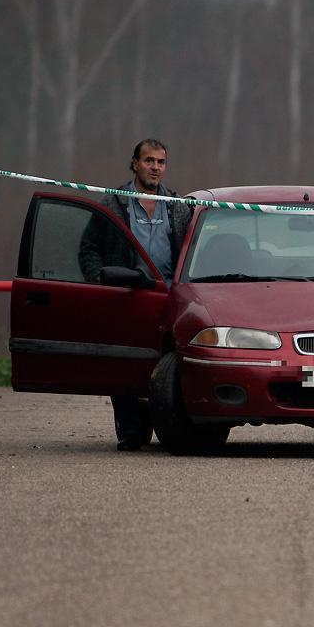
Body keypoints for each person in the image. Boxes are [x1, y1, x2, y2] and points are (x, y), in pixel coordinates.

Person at [78, 138, 195, 451]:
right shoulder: (113, 204)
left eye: (160, 162)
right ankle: (131, 431)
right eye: (148, 161)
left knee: (169, 366)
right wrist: (99, 279)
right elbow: (88, 248)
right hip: (129, 297)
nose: (155, 167)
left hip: (170, 299)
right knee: (128, 364)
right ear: (134, 163)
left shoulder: (177, 206)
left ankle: (170, 428)